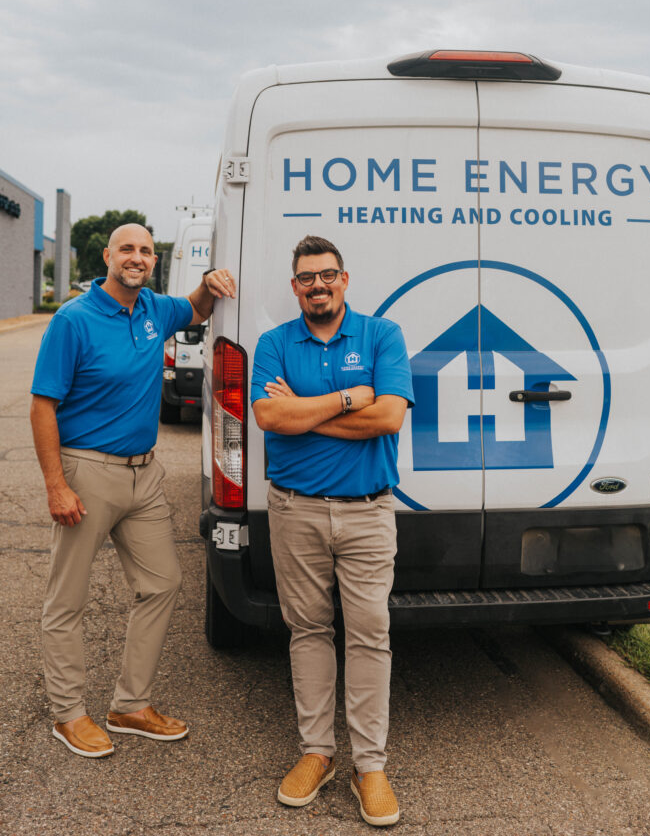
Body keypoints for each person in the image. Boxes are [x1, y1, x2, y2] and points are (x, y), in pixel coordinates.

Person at [30, 223, 235, 758]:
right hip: (87, 472)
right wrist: (56, 485)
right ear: (107, 256)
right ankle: (69, 714)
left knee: (164, 583)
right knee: (66, 599)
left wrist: (210, 285)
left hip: (145, 475)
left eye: (146, 250)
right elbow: (42, 406)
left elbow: (194, 308)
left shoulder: (153, 309)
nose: (137, 257)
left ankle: (129, 705)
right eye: (128, 248)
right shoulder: (73, 320)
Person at [251, 235, 413, 827]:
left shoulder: (381, 335)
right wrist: (347, 400)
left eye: (327, 275)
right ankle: (316, 753)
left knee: (370, 635)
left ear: (344, 279)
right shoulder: (273, 343)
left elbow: (389, 416)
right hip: (295, 511)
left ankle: (369, 766)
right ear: (294, 287)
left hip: (368, 512)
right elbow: (269, 417)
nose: (317, 286)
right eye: (306, 278)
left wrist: (307, 412)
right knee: (309, 631)